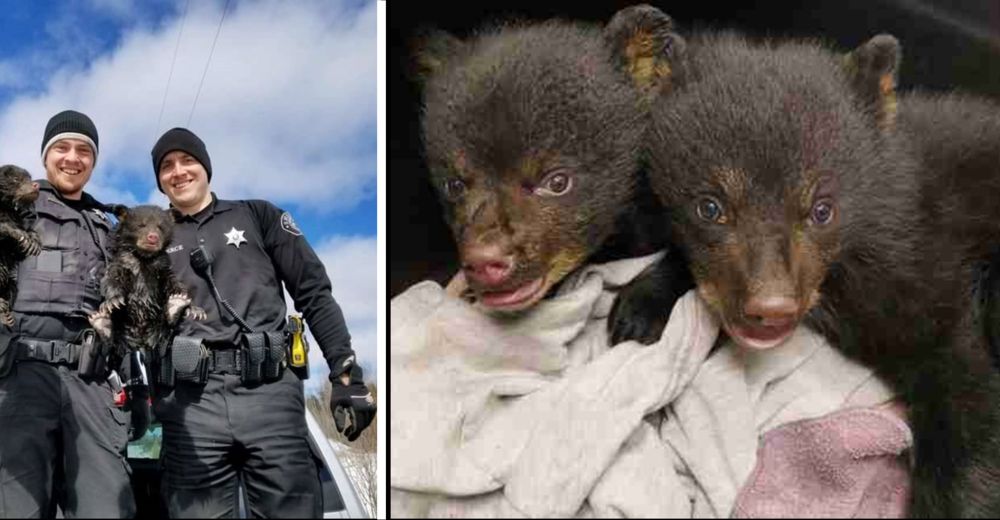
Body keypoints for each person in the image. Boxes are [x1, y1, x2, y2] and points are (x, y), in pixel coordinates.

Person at [149, 127, 375, 517]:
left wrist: (344, 372)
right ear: (160, 181)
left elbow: (313, 293)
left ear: (205, 167)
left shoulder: (258, 214)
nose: (178, 171)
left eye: (188, 160)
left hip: (269, 391)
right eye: (166, 166)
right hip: (191, 405)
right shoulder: (152, 237)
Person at [0, 110, 135, 518]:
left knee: (106, 507)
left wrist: (136, 387)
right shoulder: (11, 206)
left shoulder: (107, 224)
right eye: (62, 147)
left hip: (90, 380)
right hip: (18, 377)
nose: (72, 158)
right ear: (45, 156)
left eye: (84, 151)